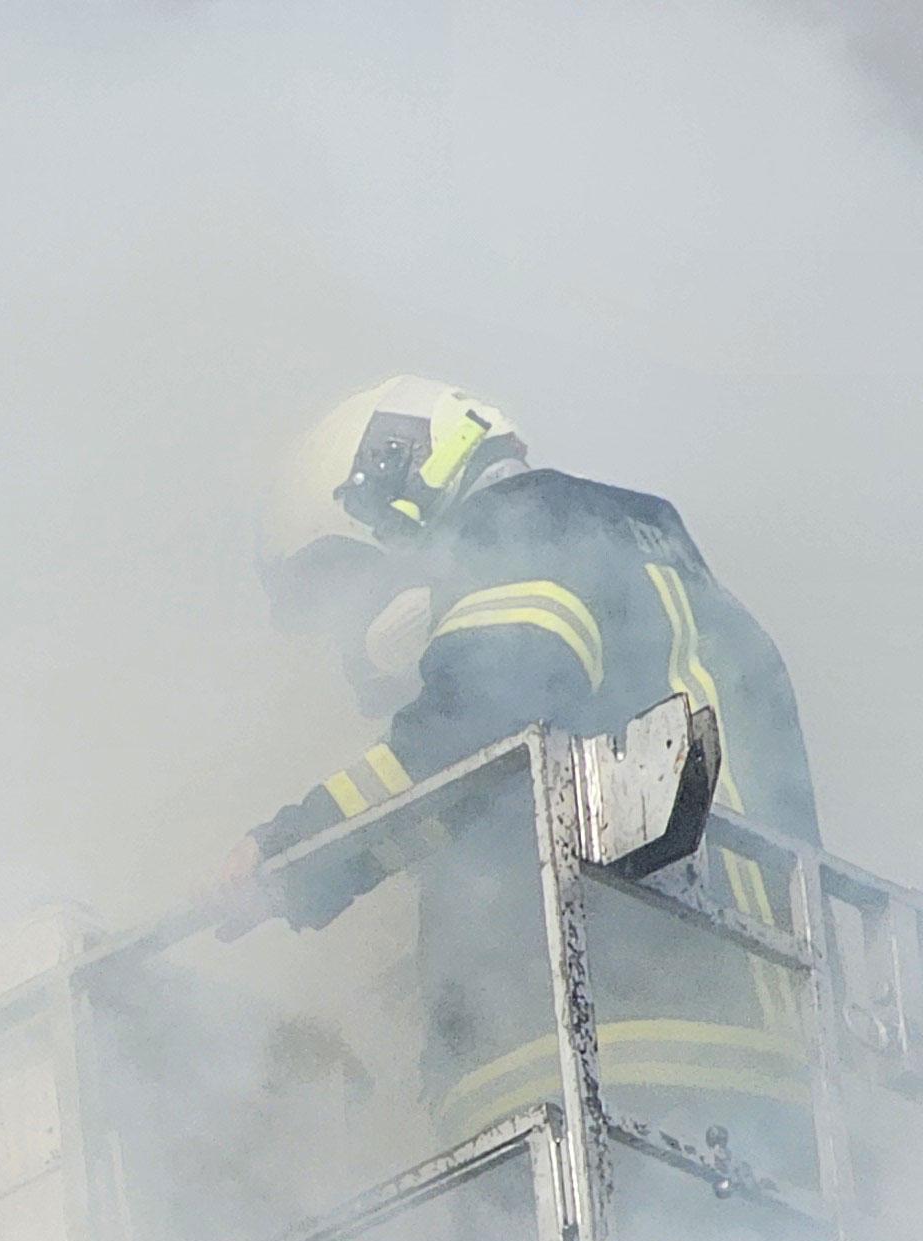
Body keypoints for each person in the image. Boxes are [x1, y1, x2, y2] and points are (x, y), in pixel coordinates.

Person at [212, 379, 823, 1173]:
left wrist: (284, 859)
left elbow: (471, 741)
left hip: (610, 1053)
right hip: (763, 1062)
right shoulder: (653, 568)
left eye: (343, 577)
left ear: (393, 485)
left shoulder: (526, 532)